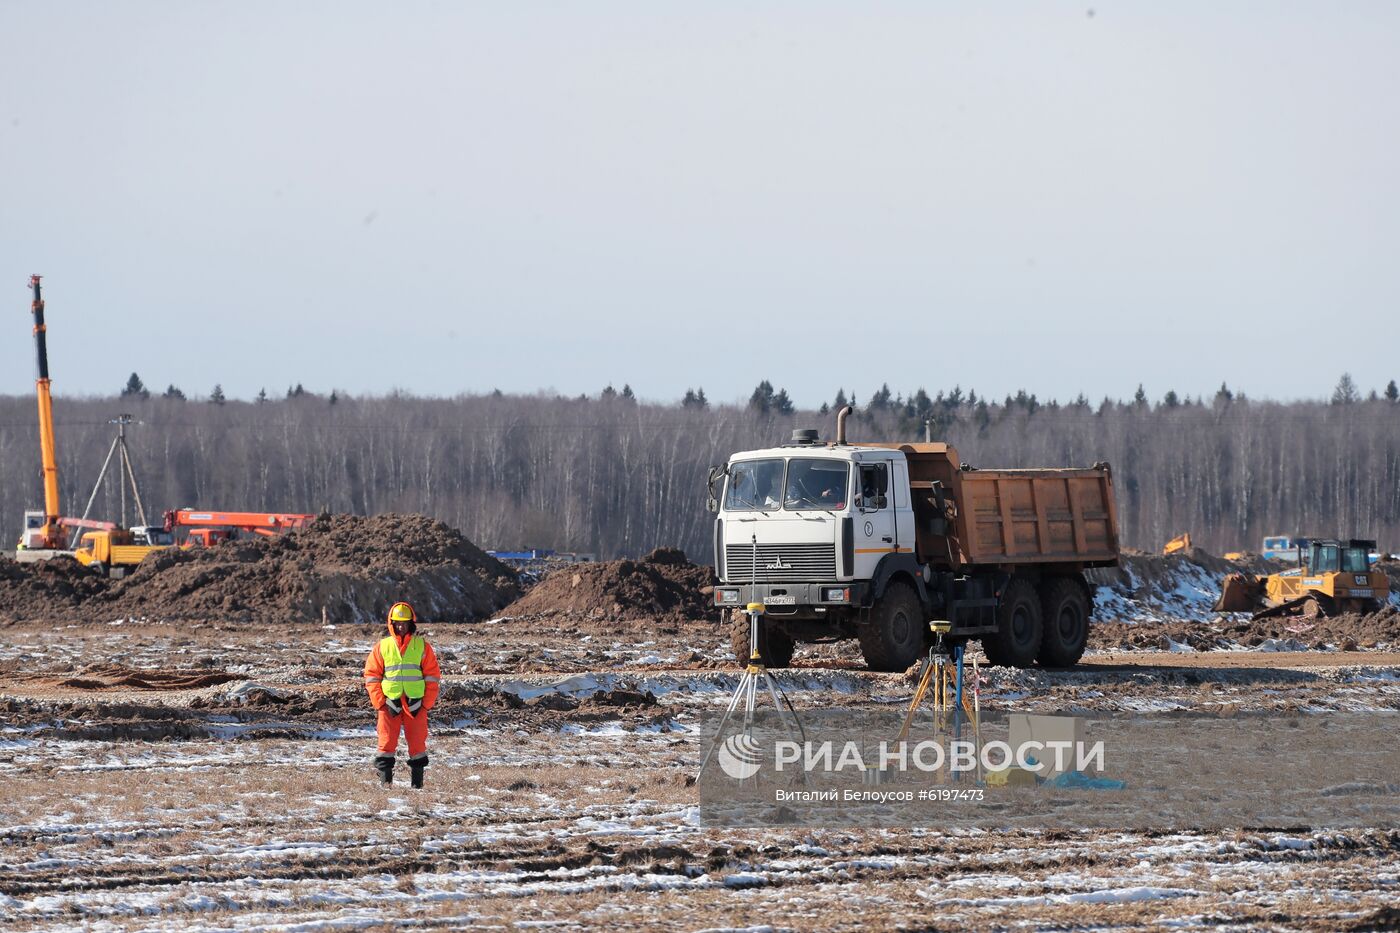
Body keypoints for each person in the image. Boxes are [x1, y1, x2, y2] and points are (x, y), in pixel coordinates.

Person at [363, 601, 441, 788]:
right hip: (390, 704)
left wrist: (425, 704)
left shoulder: (422, 646)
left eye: (404, 622)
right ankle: (386, 784)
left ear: (411, 623)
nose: (400, 626)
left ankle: (417, 786)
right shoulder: (382, 647)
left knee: (418, 745)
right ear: (391, 623)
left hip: (416, 705)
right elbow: (372, 676)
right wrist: (381, 703)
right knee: (386, 743)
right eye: (397, 622)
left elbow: (433, 677)